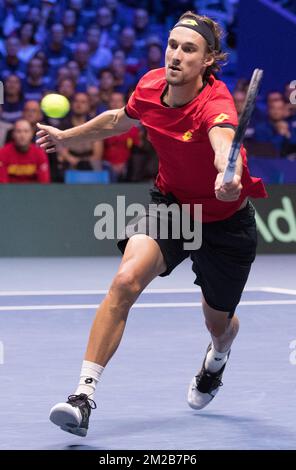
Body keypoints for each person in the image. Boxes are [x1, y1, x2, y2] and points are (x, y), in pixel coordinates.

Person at [36, 11, 267, 437]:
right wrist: (67, 137)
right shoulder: (150, 84)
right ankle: (82, 397)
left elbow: (223, 144)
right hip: (172, 207)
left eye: (189, 49)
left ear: (209, 61)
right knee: (125, 281)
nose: (176, 55)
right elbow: (118, 119)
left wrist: (227, 175)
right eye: (173, 45)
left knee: (219, 325)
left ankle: (217, 359)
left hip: (224, 222)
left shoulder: (214, 106)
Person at [0, 119, 50, 183]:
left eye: (26, 131)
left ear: (31, 134)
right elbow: (2, 184)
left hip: (33, 192)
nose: (22, 135)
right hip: (9, 192)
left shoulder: (39, 153)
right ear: (13, 134)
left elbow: (44, 182)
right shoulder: (2, 153)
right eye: (18, 131)